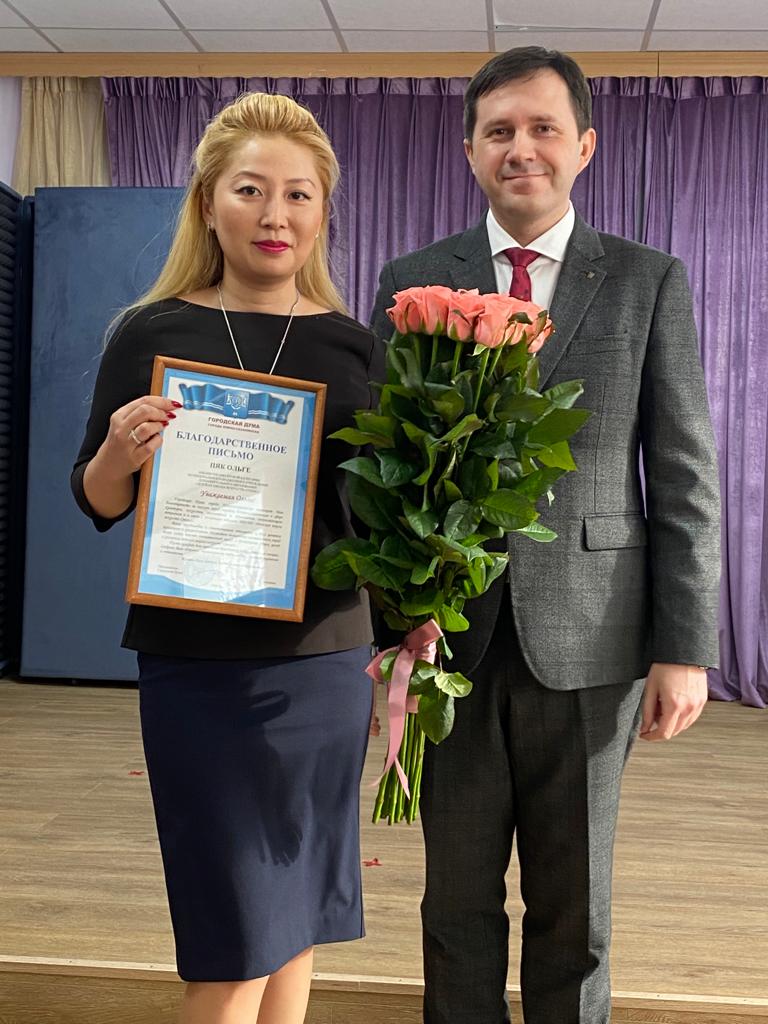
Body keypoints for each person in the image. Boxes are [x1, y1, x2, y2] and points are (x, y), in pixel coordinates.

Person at [370, 47, 721, 1024]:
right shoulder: (414, 282)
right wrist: (395, 621)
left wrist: (686, 648)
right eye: (499, 131)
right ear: (470, 151)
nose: (521, 148)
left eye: (543, 128)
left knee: (576, 906)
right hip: (450, 640)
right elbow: (386, 467)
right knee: (455, 900)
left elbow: (684, 473)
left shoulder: (647, 280)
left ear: (584, 145)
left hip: (595, 636)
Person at [72, 93, 382, 1024]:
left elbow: (375, 522)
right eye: (250, 190)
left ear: (322, 211)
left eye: (298, 194)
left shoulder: (355, 347)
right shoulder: (148, 332)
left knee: (295, 916)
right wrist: (119, 452)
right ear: (209, 203)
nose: (274, 213)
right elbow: (96, 499)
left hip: (323, 664)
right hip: (196, 667)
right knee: (232, 935)